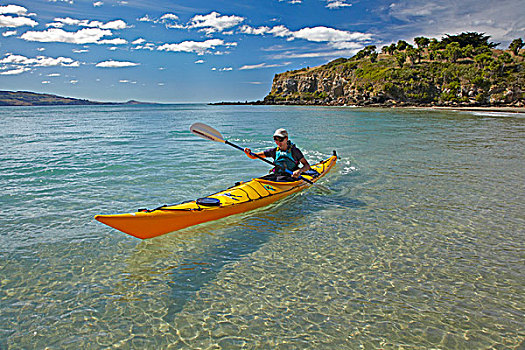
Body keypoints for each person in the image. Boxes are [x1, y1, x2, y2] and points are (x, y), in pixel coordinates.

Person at [244, 128, 311, 181]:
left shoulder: (295, 151)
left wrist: (299, 171)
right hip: (277, 175)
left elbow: (307, 166)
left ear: (286, 139)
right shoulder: (273, 151)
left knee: (280, 179)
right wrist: (248, 153)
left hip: (291, 176)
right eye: (276, 139)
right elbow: (254, 156)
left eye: (280, 139)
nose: (278, 142)